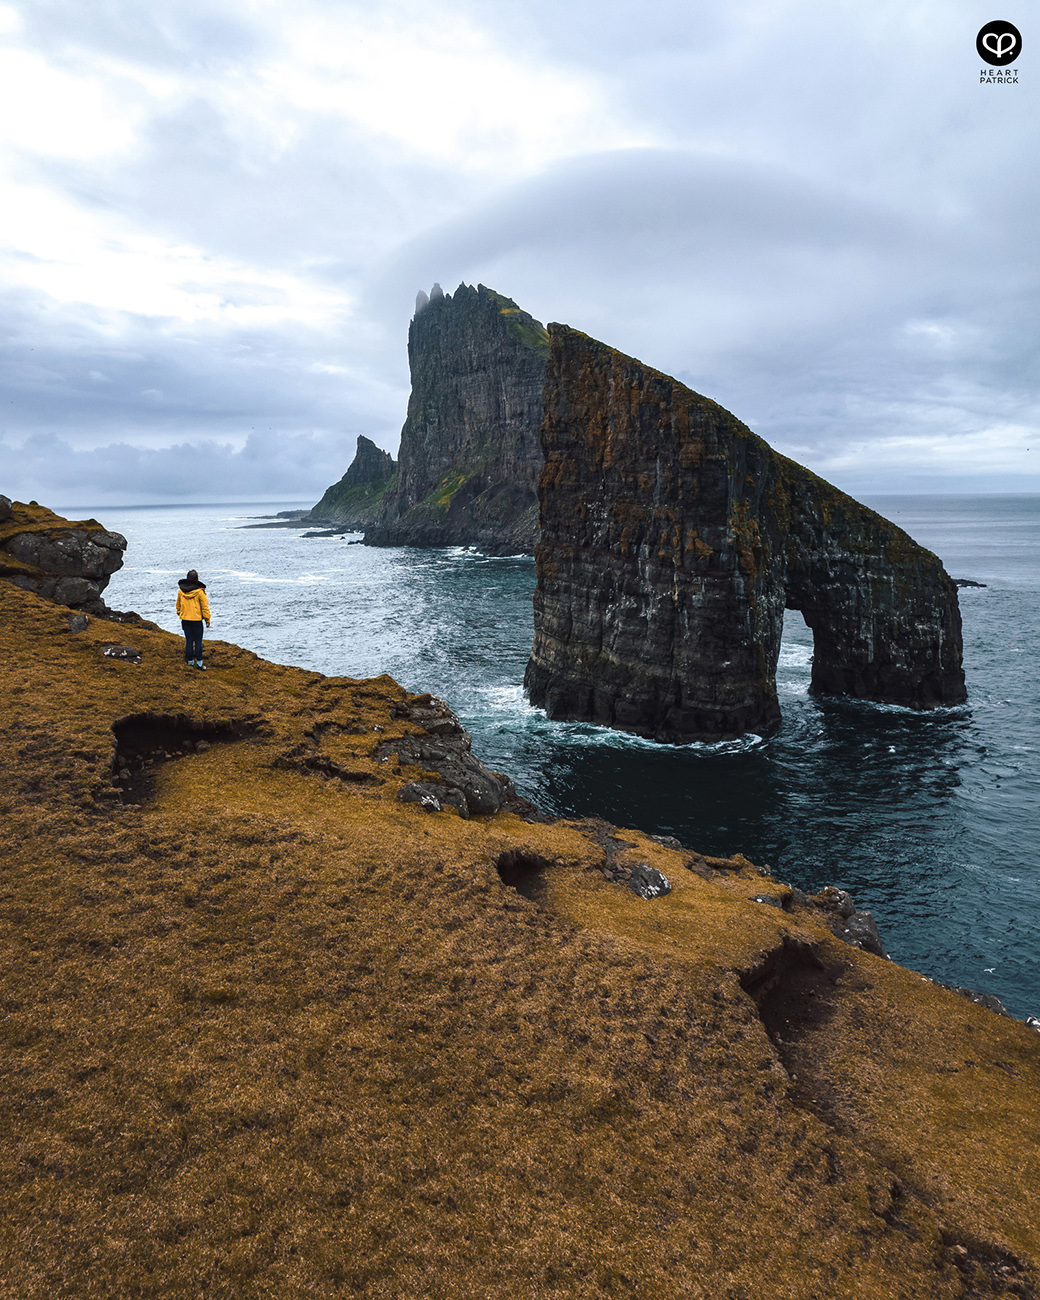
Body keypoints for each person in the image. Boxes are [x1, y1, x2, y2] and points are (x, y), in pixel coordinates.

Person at [176, 569, 211, 669]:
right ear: (197, 579)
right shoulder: (200, 592)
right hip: (196, 620)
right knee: (198, 642)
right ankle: (199, 664)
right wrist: (207, 619)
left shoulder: (180, 591)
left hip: (185, 619)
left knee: (189, 641)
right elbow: (205, 607)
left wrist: (181, 613)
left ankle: (190, 662)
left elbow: (178, 605)